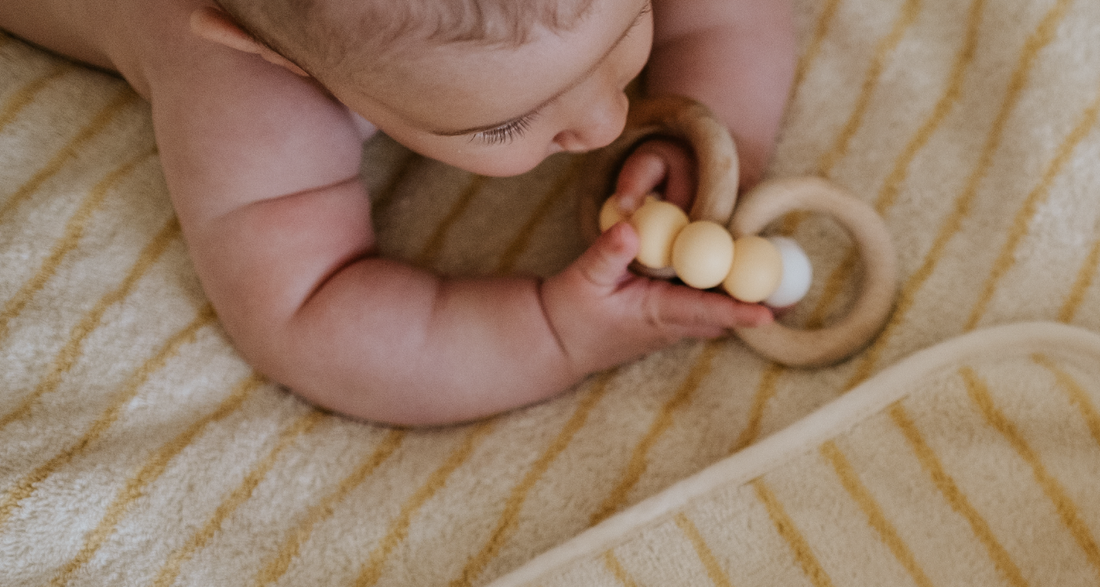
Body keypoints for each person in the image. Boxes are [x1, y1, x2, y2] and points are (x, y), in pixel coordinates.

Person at [0, 0, 796, 425]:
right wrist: (551, 332)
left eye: (627, 26)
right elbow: (307, 310)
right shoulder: (242, 87)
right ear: (275, 52)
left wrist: (712, 123)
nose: (605, 124)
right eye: (502, 124)